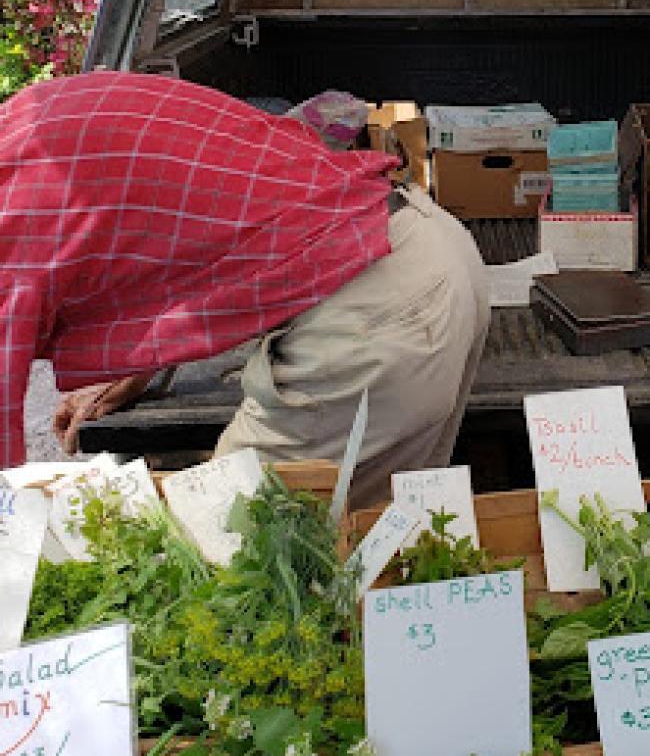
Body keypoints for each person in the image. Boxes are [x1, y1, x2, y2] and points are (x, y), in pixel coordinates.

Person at [0, 71, 489, 502]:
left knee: (231, 547)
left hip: (377, 309)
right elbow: (190, 234)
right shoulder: (31, 123)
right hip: (425, 244)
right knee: (366, 542)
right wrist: (139, 365)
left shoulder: (14, 207)